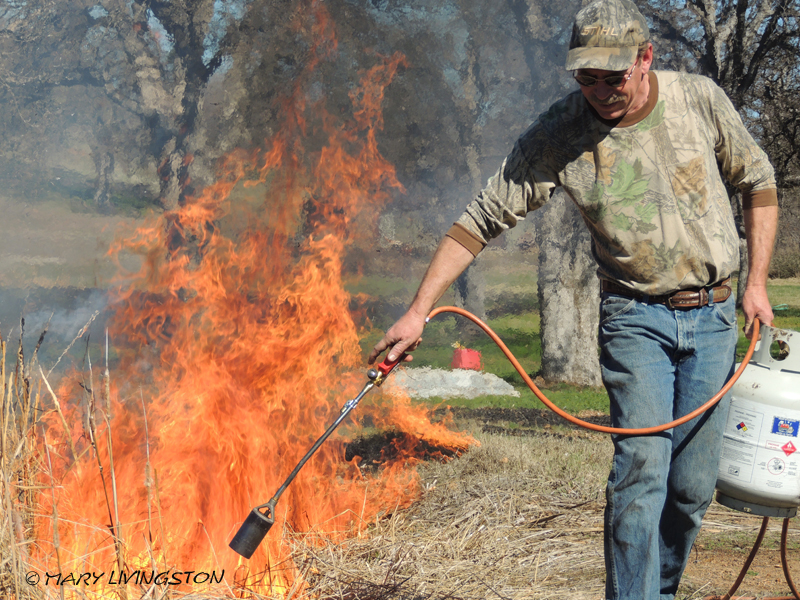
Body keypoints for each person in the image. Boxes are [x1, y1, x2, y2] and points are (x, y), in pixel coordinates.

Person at [368, 0, 779, 598]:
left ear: (646, 59)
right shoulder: (561, 132)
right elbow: (479, 221)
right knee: (641, 474)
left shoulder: (699, 100)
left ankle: (657, 590)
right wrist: (416, 309)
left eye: (613, 77)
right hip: (635, 319)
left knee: (690, 489)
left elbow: (758, 180)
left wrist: (758, 283)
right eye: (586, 78)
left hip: (714, 317)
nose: (600, 91)